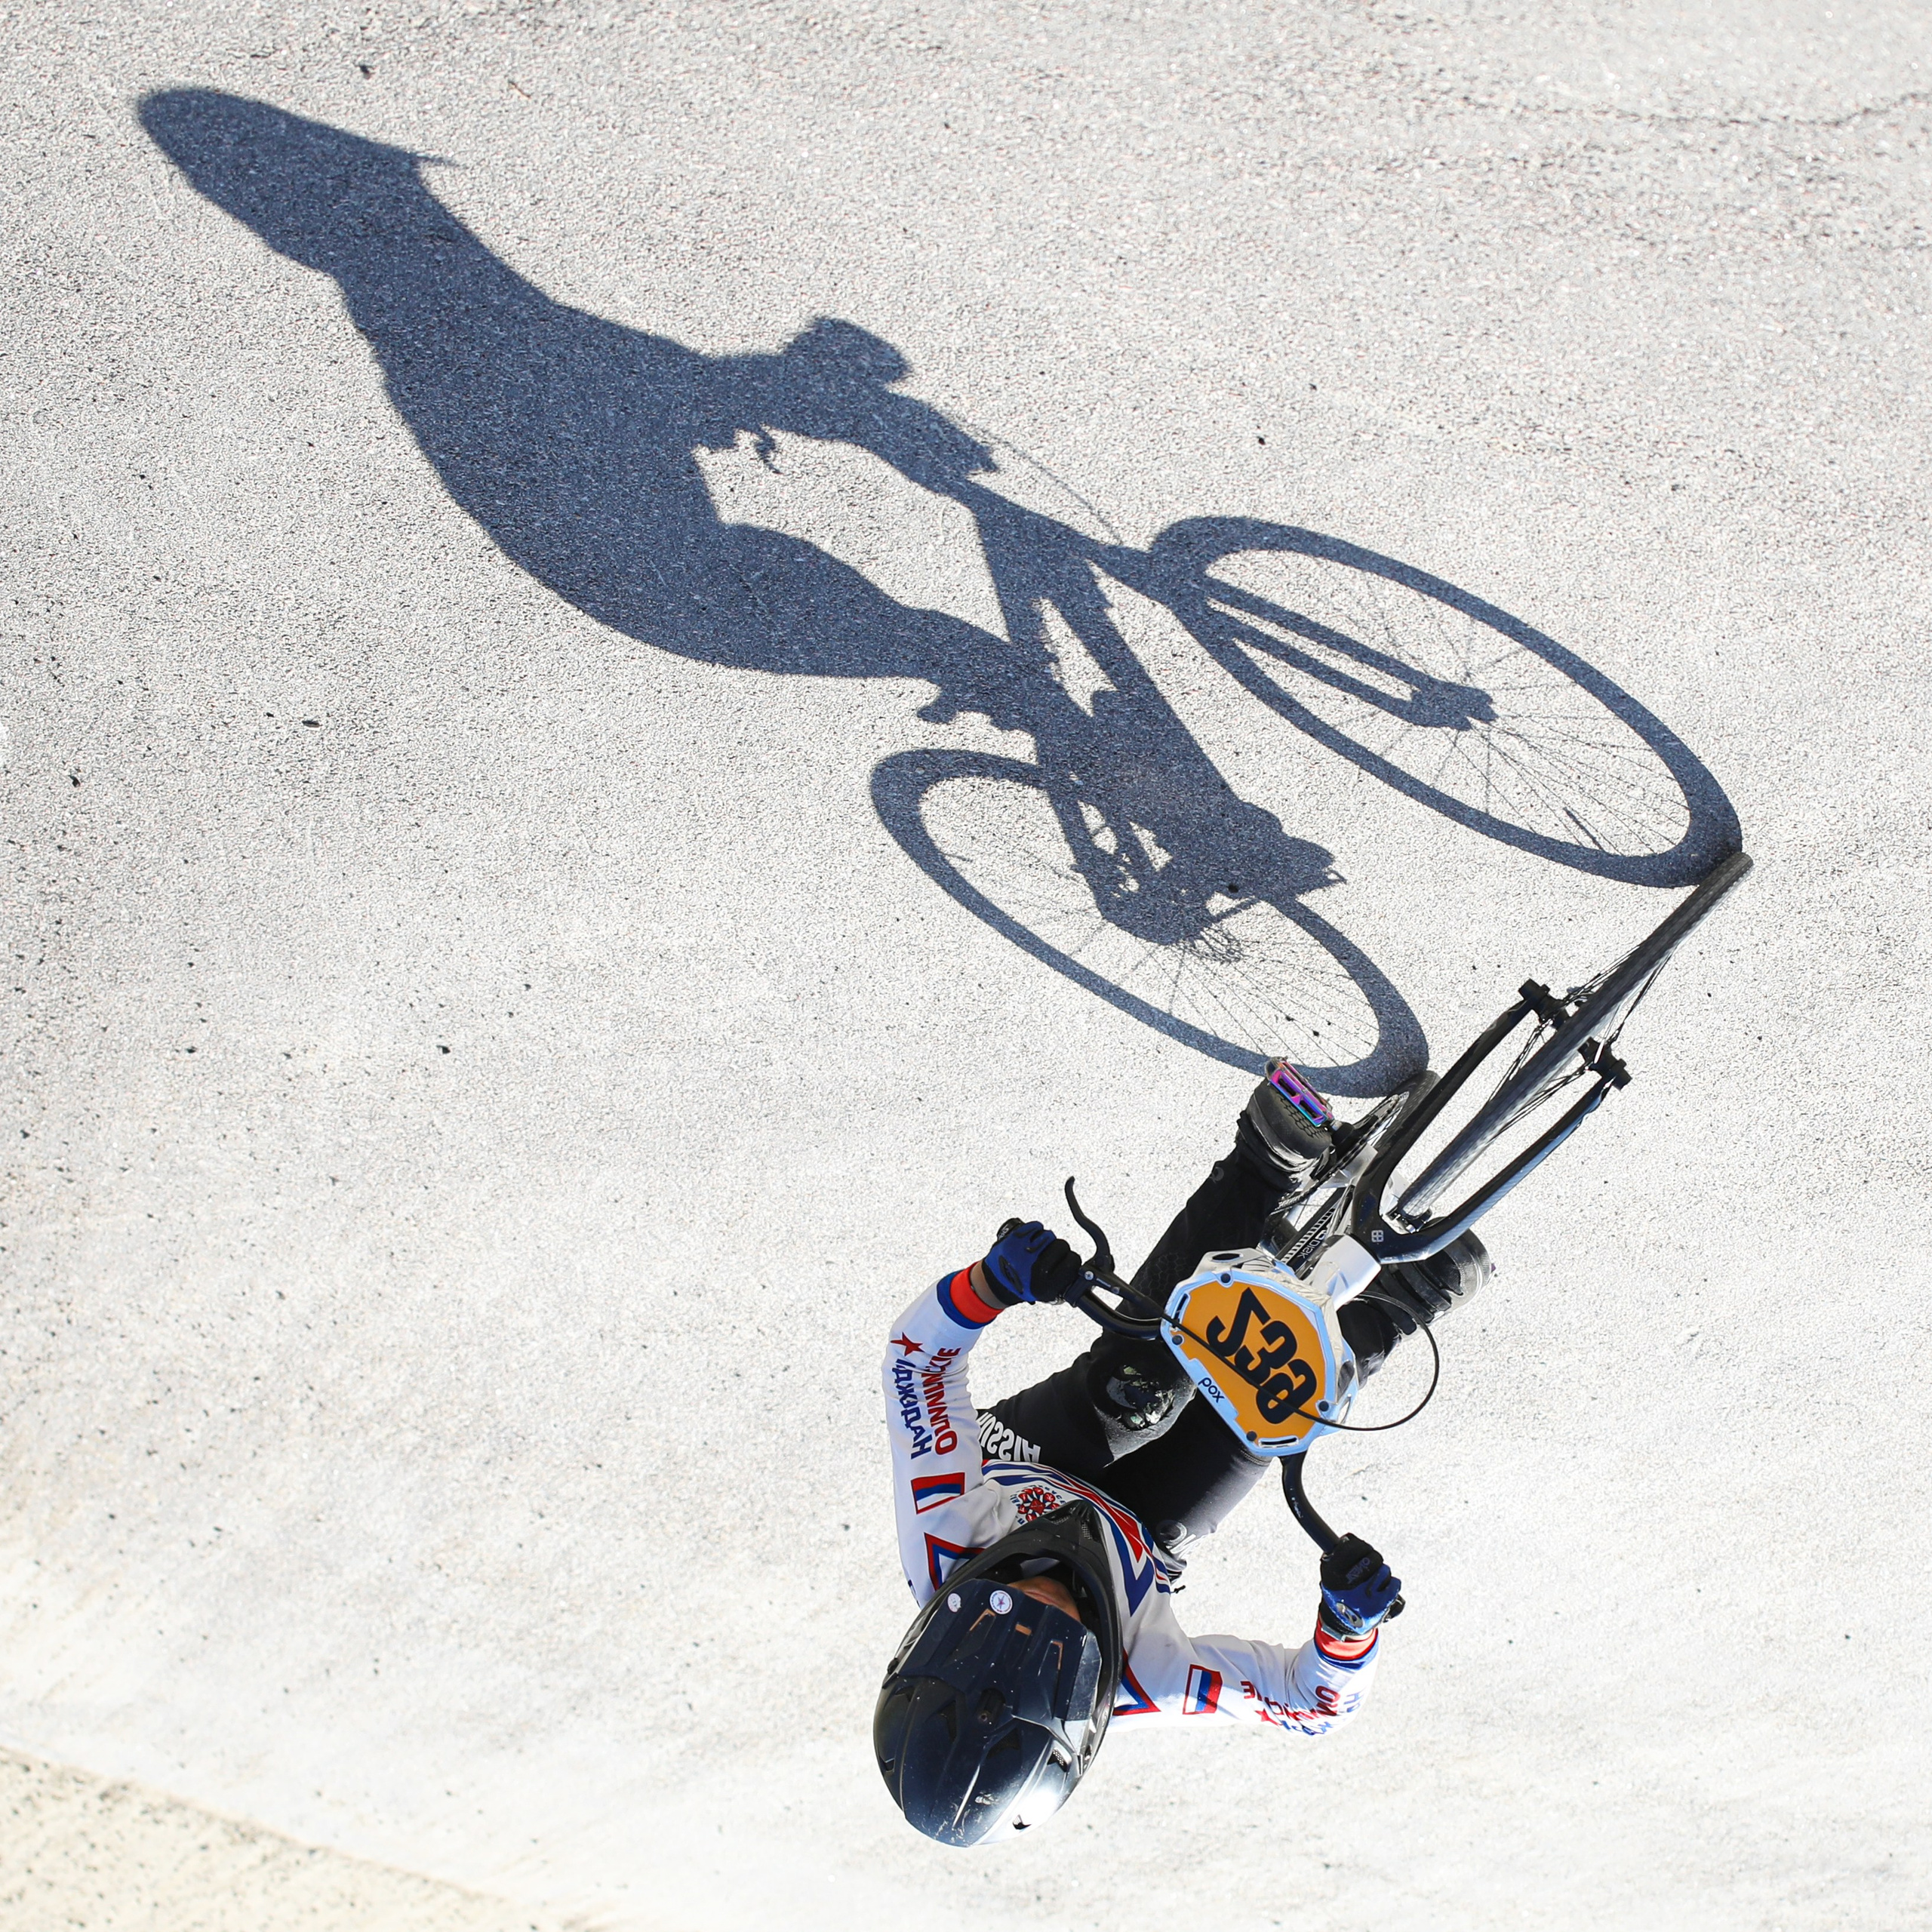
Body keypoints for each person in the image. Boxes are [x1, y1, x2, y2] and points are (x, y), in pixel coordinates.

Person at [873, 1062, 1491, 1845]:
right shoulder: (1150, 1678)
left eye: (1014, 1596)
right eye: (1061, 1638)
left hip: (1037, 1458)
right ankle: (1391, 1306)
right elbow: (1311, 1706)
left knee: (1133, 1391)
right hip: (1143, 1530)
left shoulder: (943, 1530)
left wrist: (992, 1284)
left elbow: (915, 1363)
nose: (1052, 1583)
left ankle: (1263, 1165)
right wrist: (1346, 1628)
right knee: (1265, 1422)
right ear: (1089, 1695)